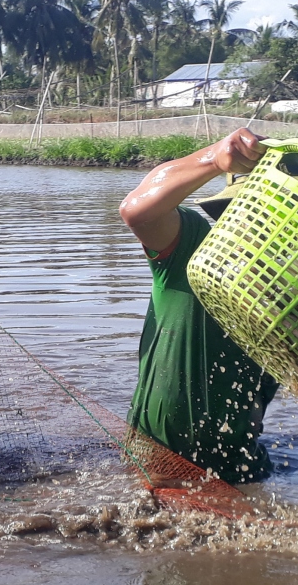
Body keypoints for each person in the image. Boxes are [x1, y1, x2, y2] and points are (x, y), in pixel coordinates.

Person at [118, 128, 281, 484]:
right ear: (229, 212)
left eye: (277, 217)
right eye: (252, 214)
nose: (262, 227)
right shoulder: (190, 246)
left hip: (242, 463)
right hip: (159, 455)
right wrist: (213, 158)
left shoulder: (295, 286)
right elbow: (136, 211)